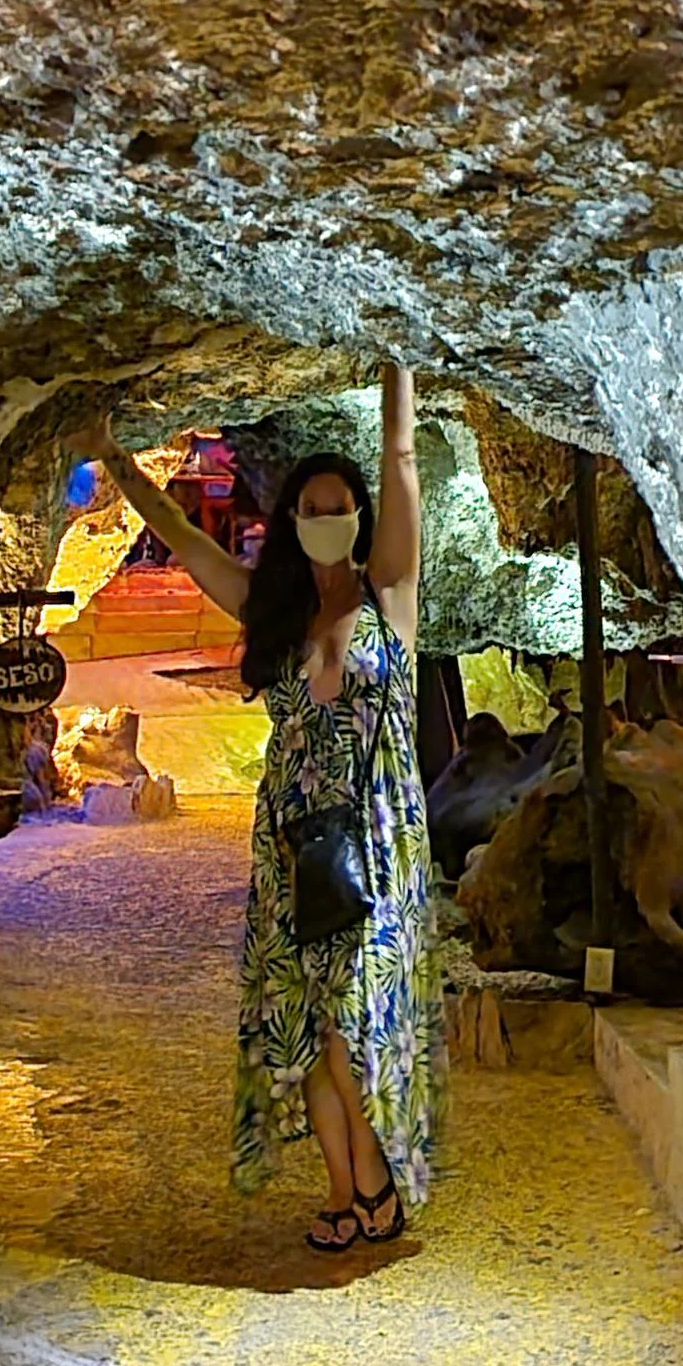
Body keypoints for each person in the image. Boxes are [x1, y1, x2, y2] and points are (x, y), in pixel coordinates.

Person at [61, 366, 447, 1251]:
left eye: (339, 506)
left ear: (360, 516)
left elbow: (400, 458)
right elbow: (183, 539)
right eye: (312, 508)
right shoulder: (270, 610)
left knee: (350, 1017)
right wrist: (116, 461)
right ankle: (348, 1193)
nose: (328, 518)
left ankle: (375, 1179)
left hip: (376, 843)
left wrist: (400, 359)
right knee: (304, 1025)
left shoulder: (390, 595)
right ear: (292, 521)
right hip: (292, 848)